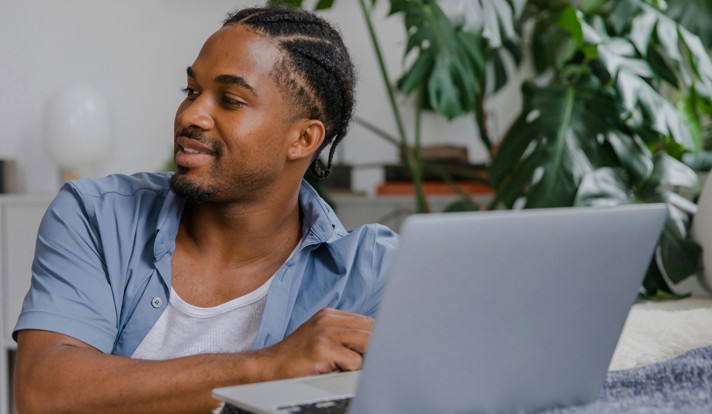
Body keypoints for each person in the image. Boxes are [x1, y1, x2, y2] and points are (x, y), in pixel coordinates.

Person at [13, 6, 398, 414]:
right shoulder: (97, 216)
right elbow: (45, 394)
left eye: (230, 100)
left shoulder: (367, 273)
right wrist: (268, 366)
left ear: (304, 138)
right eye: (191, 91)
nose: (191, 115)